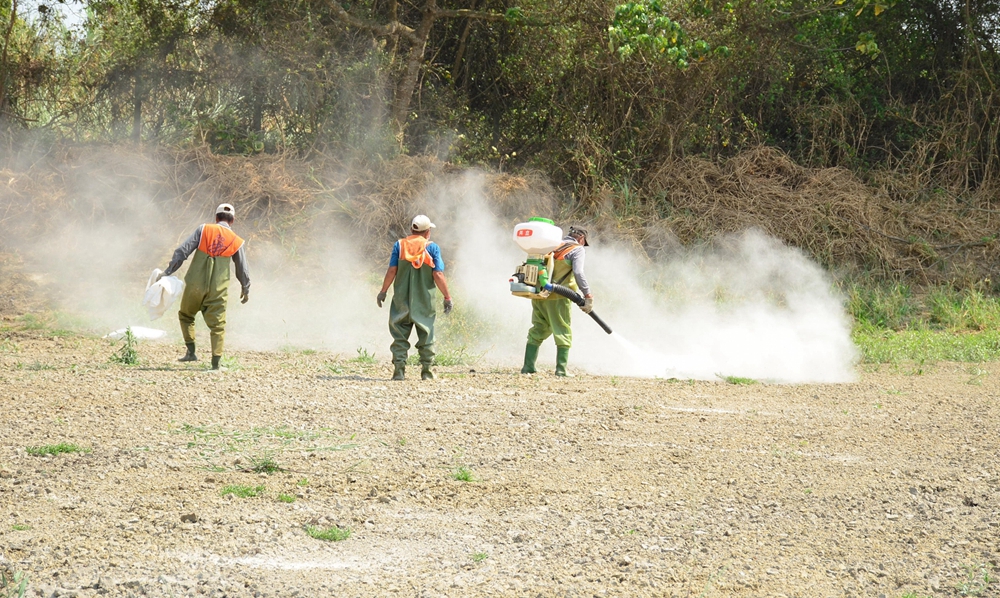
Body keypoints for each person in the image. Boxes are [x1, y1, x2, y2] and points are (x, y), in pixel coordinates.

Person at [161, 203, 251, 370]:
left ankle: (191, 352)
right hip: (218, 289)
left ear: (216, 218)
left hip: (195, 284)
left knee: (186, 316)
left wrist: (168, 271)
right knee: (218, 326)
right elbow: (242, 269)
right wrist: (245, 289)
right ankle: (215, 364)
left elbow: (182, 252)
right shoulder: (237, 242)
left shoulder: (204, 230)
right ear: (232, 221)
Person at [377, 215, 453, 381]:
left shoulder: (400, 245)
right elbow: (438, 274)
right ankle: (426, 371)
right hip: (424, 300)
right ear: (427, 232)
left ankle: (399, 371)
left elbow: (392, 271)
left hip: (401, 300)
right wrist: (447, 297)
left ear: (412, 229)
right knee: (426, 334)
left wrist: (383, 291)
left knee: (399, 335)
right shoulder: (432, 248)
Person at [521, 225, 594, 377]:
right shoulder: (577, 249)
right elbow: (579, 272)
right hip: (559, 297)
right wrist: (587, 295)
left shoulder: (550, 245)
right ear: (581, 239)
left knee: (539, 328)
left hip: (539, 295)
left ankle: (528, 367)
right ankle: (561, 370)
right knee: (563, 329)